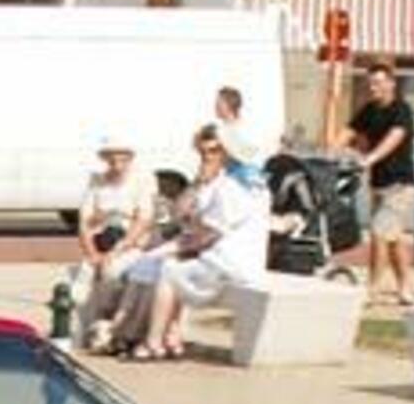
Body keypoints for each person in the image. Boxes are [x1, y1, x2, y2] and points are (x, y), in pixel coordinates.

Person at [134, 126, 271, 359]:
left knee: (168, 272)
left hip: (227, 264)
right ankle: (166, 337)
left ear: (226, 153)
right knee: (166, 265)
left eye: (216, 151)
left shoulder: (231, 186)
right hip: (249, 260)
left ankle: (152, 341)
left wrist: (180, 246)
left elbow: (210, 233)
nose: (208, 157)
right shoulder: (256, 183)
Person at [341, 59, 414, 307]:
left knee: (378, 233)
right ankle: (405, 288)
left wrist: (370, 158)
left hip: (401, 185)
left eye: (378, 83)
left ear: (391, 84)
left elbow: (394, 138)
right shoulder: (369, 110)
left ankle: (372, 289)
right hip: (378, 184)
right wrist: (330, 153)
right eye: (370, 84)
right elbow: (347, 132)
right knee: (393, 240)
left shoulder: (401, 109)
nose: (373, 88)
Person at [72, 137, 157, 344]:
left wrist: (116, 251)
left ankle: (106, 319)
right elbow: (84, 222)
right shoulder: (96, 182)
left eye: (122, 159)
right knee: (83, 275)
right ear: (105, 160)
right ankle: (80, 329)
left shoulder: (142, 181)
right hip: (100, 241)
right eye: (112, 160)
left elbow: (143, 220)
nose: (117, 165)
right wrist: (92, 254)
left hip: (128, 243)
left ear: (130, 159)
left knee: (112, 271)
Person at [212, 85, 266, 191]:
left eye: (219, 103)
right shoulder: (220, 130)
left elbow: (251, 153)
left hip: (247, 178)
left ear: (229, 105)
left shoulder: (246, 128)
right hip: (231, 176)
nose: (215, 106)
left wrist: (227, 154)